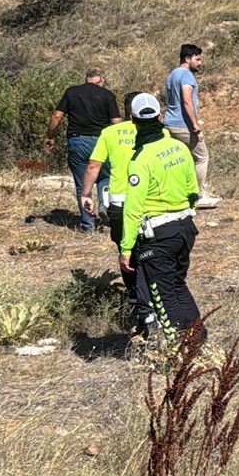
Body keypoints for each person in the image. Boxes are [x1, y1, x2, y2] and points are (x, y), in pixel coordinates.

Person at [120, 93, 202, 340]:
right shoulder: (179, 147)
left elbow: (133, 207)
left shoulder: (140, 159)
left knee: (163, 295)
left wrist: (126, 249)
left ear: (132, 119)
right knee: (178, 285)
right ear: (160, 116)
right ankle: (198, 341)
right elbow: (193, 190)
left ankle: (180, 353)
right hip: (185, 228)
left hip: (158, 235)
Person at [80, 91, 147, 331]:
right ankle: (152, 296)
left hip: (121, 202)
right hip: (150, 202)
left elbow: (94, 165)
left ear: (127, 112)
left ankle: (134, 297)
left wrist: (86, 195)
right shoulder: (156, 131)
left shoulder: (110, 133)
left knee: (126, 251)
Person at [44, 68, 121, 233]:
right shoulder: (107, 95)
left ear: (87, 79)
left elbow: (57, 116)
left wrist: (50, 136)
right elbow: (116, 122)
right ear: (101, 79)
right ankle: (104, 207)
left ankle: (87, 226)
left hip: (77, 141)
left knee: (82, 185)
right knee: (105, 178)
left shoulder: (71, 93)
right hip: (101, 142)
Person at [164, 43, 219, 209]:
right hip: (184, 125)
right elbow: (187, 100)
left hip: (170, 124)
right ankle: (198, 195)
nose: (200, 63)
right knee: (202, 157)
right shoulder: (186, 76)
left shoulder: (172, 75)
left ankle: (178, 193)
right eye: (198, 59)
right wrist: (195, 124)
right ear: (188, 58)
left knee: (180, 161)